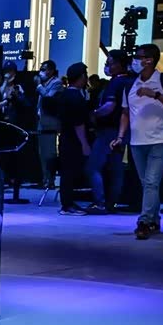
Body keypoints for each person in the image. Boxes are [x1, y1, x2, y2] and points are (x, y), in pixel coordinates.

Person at [113, 44, 163, 239]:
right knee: (147, 183)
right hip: (137, 142)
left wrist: (155, 94)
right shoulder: (130, 84)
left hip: (162, 139)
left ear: (149, 60)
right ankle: (155, 220)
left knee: (151, 182)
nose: (135, 61)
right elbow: (125, 113)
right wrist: (120, 136)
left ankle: (144, 221)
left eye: (139, 57)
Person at [87, 50, 134, 214]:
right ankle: (111, 203)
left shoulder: (115, 83)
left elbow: (109, 107)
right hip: (124, 130)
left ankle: (99, 203)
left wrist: (93, 113)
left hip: (109, 131)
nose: (107, 65)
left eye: (110, 62)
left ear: (120, 64)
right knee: (116, 168)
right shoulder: (131, 81)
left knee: (93, 166)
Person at [56, 62, 92, 216]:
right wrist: (84, 144)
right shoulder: (76, 97)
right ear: (82, 77)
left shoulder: (64, 94)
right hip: (74, 141)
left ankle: (68, 203)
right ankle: (67, 205)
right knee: (70, 173)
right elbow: (79, 123)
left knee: (67, 173)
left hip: (65, 138)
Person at [35, 59, 64, 190]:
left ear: (51, 70)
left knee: (49, 153)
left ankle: (50, 180)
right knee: (42, 152)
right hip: (41, 121)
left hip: (50, 122)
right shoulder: (45, 83)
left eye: (44, 69)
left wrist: (39, 86)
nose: (41, 72)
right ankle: (44, 179)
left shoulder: (56, 83)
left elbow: (48, 98)